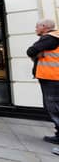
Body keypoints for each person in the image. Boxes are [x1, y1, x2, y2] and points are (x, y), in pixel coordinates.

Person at [27, 19, 59, 148]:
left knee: (54, 107)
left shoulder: (49, 38)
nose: (35, 28)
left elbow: (30, 51)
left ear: (44, 27)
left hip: (52, 78)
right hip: (52, 77)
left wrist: (36, 54)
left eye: (37, 26)